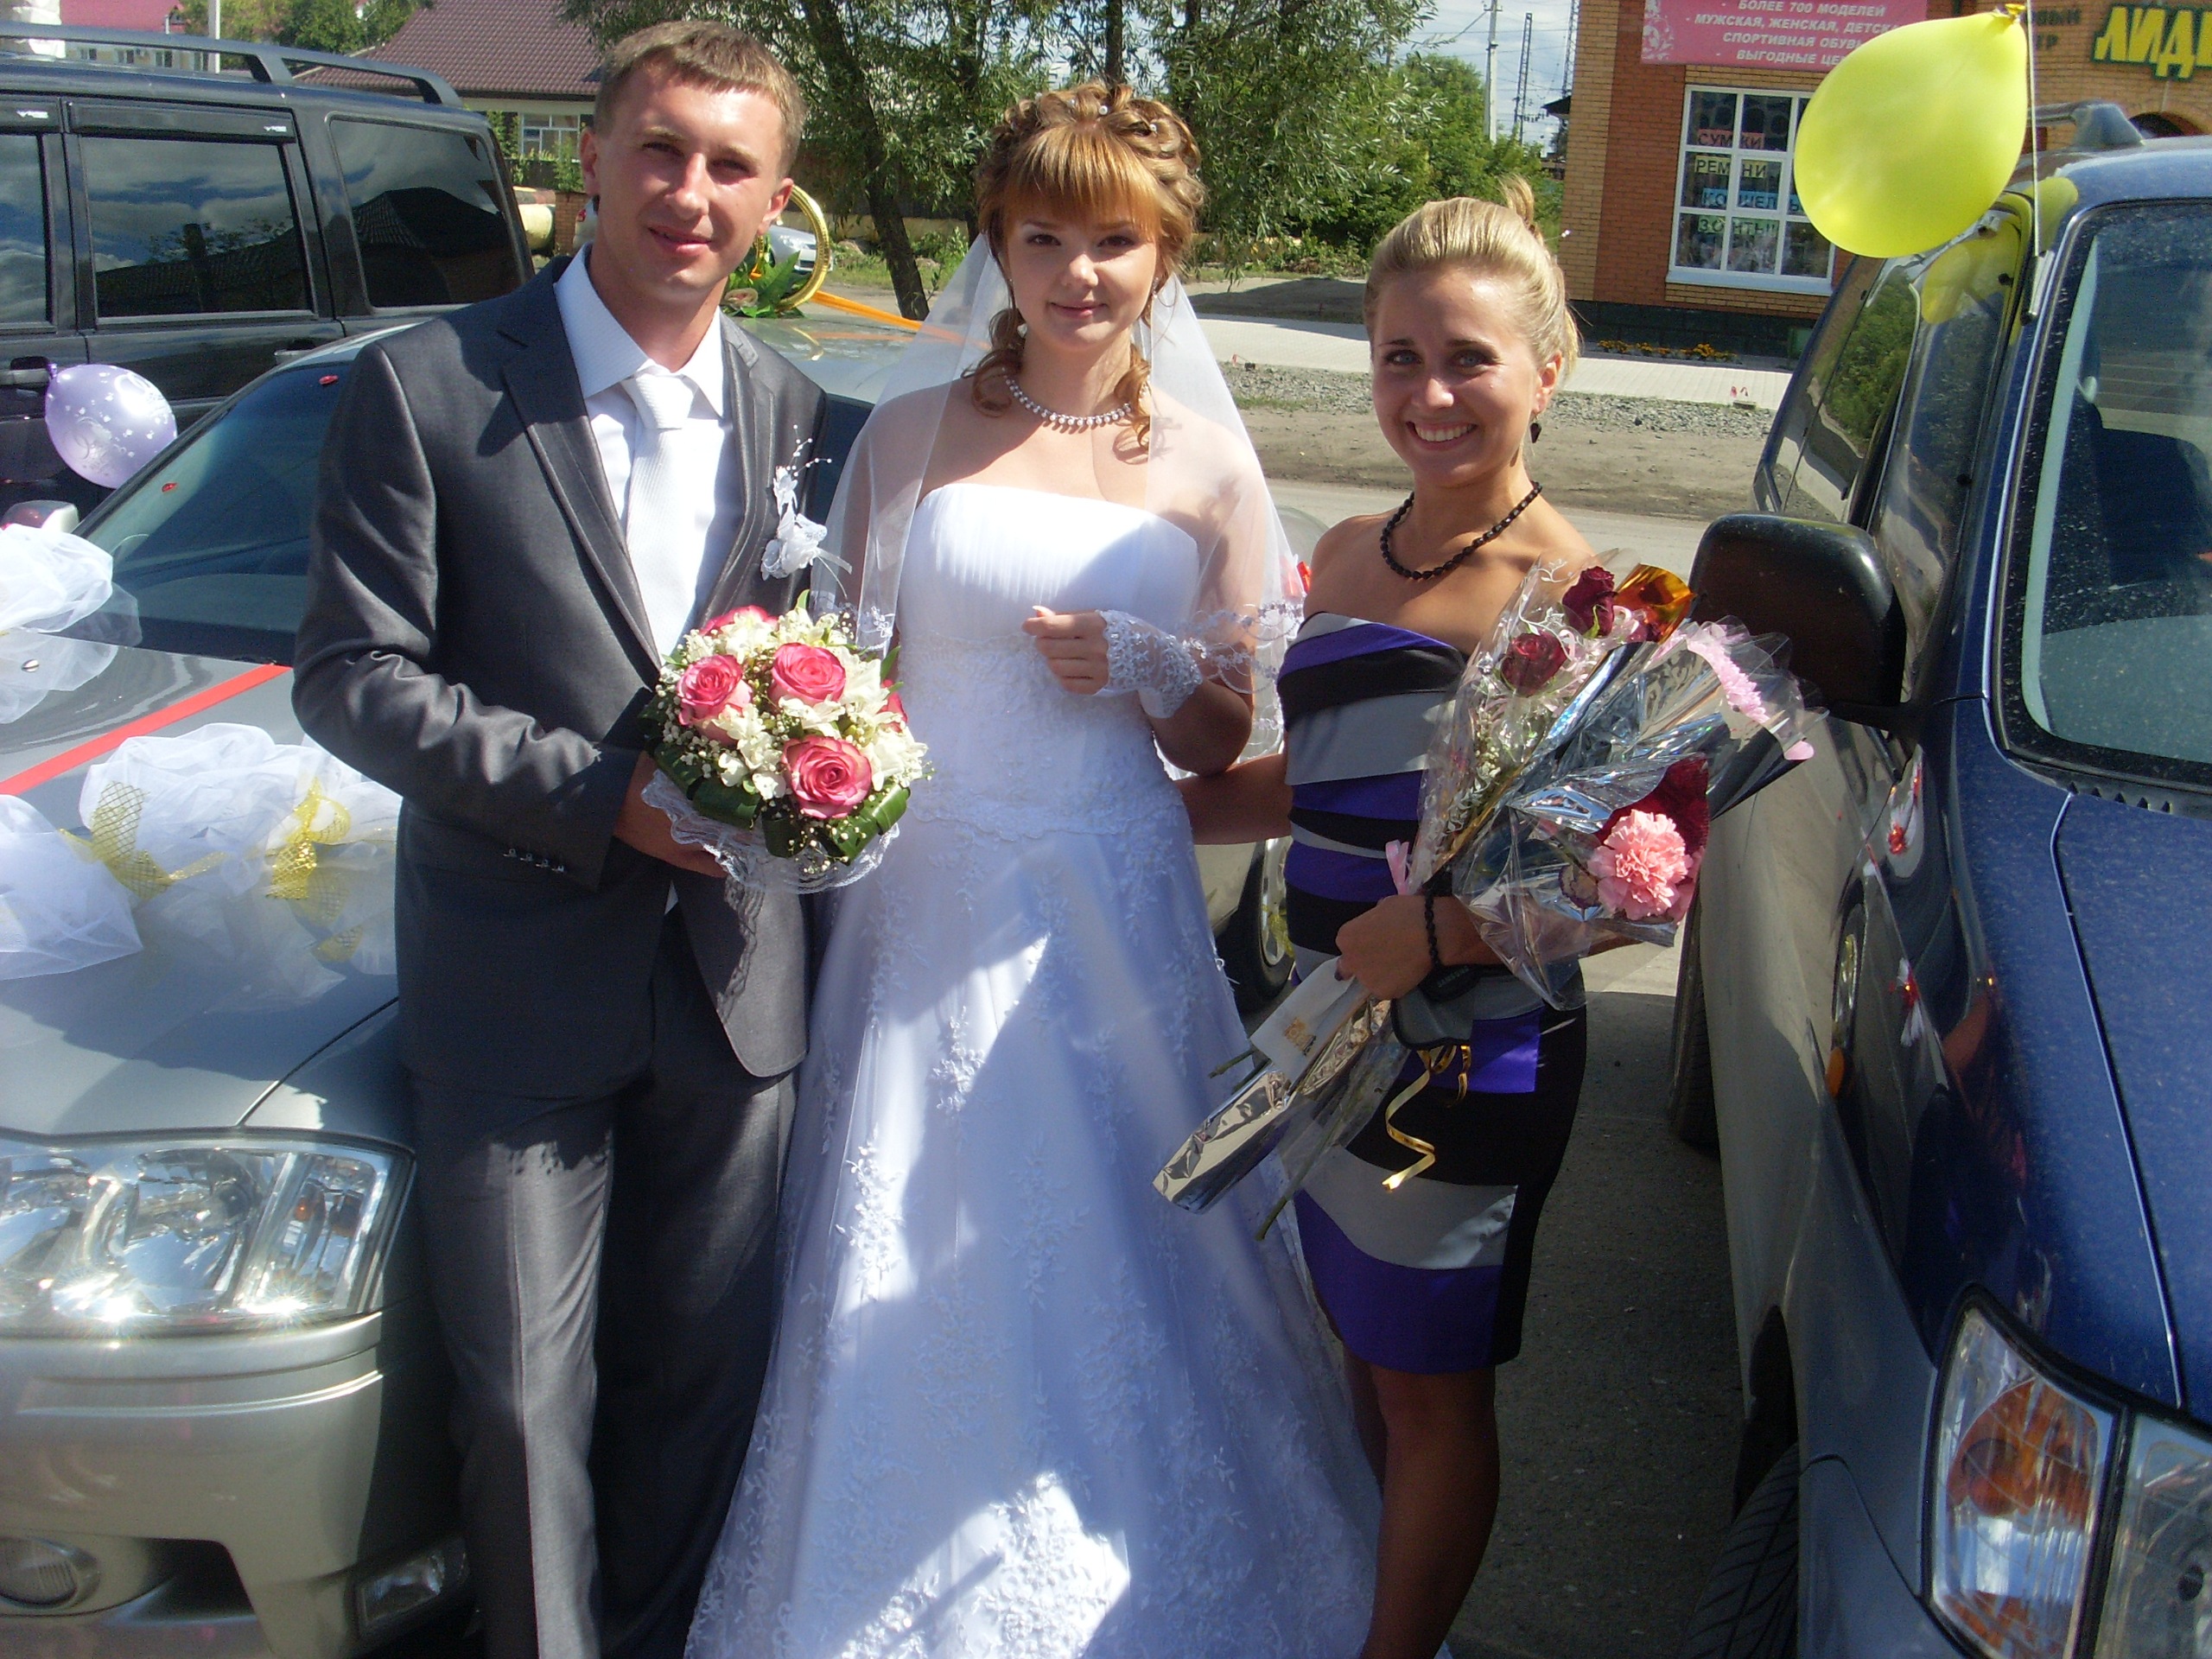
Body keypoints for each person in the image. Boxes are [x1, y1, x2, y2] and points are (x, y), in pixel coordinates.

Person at [683, 82, 1376, 1658]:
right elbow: (843, 676)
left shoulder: (1210, 467)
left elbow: (1225, 734)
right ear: (997, 242)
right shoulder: (913, 433)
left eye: (1113, 241)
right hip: (922, 894)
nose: (1078, 272)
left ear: (1165, 257)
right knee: (902, 1211)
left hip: (1105, 896)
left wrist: (1151, 664)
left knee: (1124, 1230)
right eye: (1044, 236)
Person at [292, 24, 825, 1659]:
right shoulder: (432, 384)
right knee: (524, 1406)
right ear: (587, 160)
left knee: (700, 1391)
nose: (689, 192)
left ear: (777, 201)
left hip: (736, 991)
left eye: (730, 165)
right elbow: (352, 675)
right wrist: (607, 797)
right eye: (660, 149)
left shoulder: (805, 414)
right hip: (515, 985)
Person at [1181, 184, 1596, 1659]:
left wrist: (1445, 938)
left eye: (1470, 359)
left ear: (1549, 368)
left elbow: (1632, 877)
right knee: (1357, 1348)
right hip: (1321, 1024)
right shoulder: (1354, 548)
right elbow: (1322, 781)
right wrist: (1126, 812)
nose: (1430, 395)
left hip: (1464, 1050)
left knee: (1429, 1384)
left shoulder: (1579, 602)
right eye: (1400, 359)